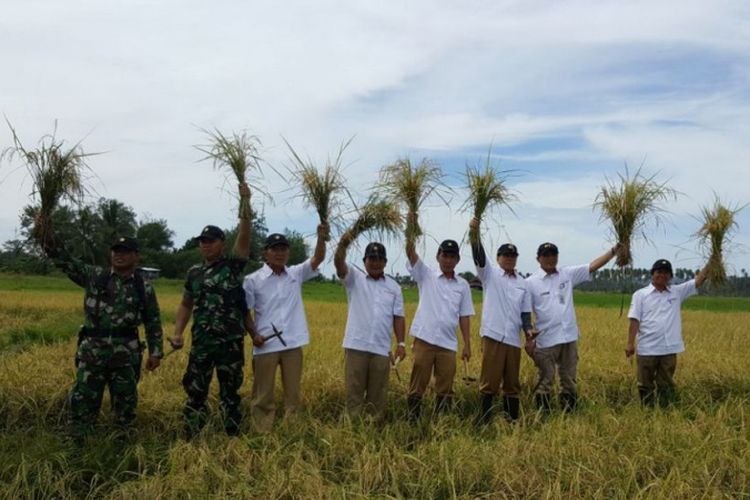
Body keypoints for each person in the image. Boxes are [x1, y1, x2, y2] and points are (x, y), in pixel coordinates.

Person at [39, 229, 163, 440]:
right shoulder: (95, 276)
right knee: (83, 401)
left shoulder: (143, 287)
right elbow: (65, 261)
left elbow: (153, 321)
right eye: (115, 250)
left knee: (125, 404)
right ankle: (77, 444)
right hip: (92, 354)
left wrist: (156, 352)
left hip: (125, 355)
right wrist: (45, 235)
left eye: (125, 251)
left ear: (136, 256)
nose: (119, 255)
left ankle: (121, 447)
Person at [171, 182, 251, 437]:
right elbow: (186, 304)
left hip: (230, 343)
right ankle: (194, 434)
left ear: (221, 243)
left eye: (211, 241)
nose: (206, 245)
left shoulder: (233, 266)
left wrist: (245, 203)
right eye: (202, 242)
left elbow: (245, 235)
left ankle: (232, 434)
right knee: (195, 391)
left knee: (230, 392)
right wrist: (177, 332)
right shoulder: (194, 273)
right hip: (202, 343)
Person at [243, 223, 328, 432]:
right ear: (266, 252)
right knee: (263, 393)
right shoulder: (253, 280)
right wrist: (254, 334)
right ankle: (261, 430)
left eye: (284, 249)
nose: (280, 253)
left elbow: (317, 259)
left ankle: (293, 429)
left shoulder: (295, 274)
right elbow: (244, 311)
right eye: (275, 249)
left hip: (292, 343)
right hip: (266, 344)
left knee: (293, 392)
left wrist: (320, 238)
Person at [525, 241, 620, 412]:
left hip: (568, 336)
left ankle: (569, 412)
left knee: (568, 378)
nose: (550, 258)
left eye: (553, 254)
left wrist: (614, 251)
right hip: (546, 339)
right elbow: (524, 311)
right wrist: (528, 337)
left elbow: (592, 266)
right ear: (538, 258)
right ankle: (543, 413)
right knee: (545, 378)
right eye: (546, 255)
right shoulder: (531, 283)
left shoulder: (567, 274)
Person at [334, 236, 406, 420]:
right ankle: (352, 430)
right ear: (364, 261)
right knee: (354, 393)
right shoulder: (354, 279)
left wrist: (401, 343)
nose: (376, 263)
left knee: (378, 396)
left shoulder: (394, 287)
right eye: (371, 259)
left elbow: (398, 316)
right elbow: (339, 263)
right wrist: (343, 244)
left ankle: (374, 429)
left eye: (380, 259)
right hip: (356, 346)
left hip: (381, 349)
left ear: (385, 262)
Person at [468, 218, 532, 424]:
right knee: (489, 382)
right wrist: (474, 233)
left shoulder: (523, 283)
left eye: (513, 256)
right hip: (493, 335)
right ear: (498, 258)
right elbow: (479, 256)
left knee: (512, 383)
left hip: (513, 339)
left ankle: (511, 420)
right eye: (506, 255)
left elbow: (525, 313)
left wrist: (529, 332)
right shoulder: (490, 274)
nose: (509, 259)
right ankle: (484, 420)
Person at [405, 234, 474, 421]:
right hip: (424, 339)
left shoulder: (463, 285)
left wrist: (467, 344)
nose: (448, 260)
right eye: (445, 255)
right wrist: (411, 227)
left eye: (452, 256)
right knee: (418, 382)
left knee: (445, 386)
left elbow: (465, 316)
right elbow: (410, 253)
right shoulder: (426, 275)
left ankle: (441, 422)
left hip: (448, 343)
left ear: (457, 260)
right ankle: (413, 420)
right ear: (438, 257)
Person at [625, 259, 707, 406]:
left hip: (669, 349)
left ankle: (665, 411)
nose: (662, 275)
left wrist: (714, 258)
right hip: (647, 348)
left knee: (666, 383)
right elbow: (634, 320)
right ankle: (648, 411)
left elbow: (698, 280)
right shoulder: (640, 295)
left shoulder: (677, 292)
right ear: (652, 274)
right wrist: (630, 343)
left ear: (670, 276)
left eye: (666, 273)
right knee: (645, 384)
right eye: (659, 272)